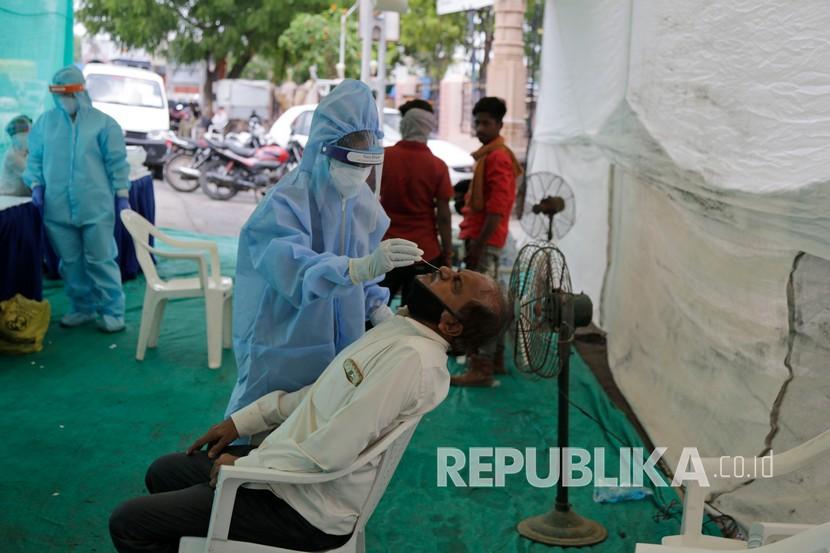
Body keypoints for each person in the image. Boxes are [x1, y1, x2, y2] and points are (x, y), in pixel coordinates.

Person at [109, 266, 510, 553]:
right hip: (292, 475)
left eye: (453, 282)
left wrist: (248, 470)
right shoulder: (404, 332)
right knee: (163, 471)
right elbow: (319, 397)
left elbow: (333, 450)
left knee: (129, 523)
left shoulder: (412, 361)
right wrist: (242, 421)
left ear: (451, 325)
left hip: (303, 508)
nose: (442, 269)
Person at [226, 79, 423, 426]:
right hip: (285, 340)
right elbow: (290, 268)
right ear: (322, 148)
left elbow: (363, 275)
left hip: (344, 343)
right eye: (351, 162)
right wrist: (356, 269)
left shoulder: (361, 204)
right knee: (264, 424)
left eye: (367, 164)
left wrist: (377, 307)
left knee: (324, 423)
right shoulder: (286, 203)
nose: (359, 174)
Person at [23, 65, 131, 333]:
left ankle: (112, 310)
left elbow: (117, 162)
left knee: (101, 258)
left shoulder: (104, 124)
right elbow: (34, 158)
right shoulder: (45, 123)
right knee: (69, 261)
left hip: (96, 205)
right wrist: (36, 184)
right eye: (60, 95)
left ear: (80, 92)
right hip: (57, 207)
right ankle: (82, 307)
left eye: (69, 94)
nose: (65, 101)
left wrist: (122, 194)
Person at [452, 97, 523, 387]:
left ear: (499, 124)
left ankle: (481, 368)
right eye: (477, 122)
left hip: (488, 242)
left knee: (483, 306)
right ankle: (495, 361)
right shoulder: (488, 156)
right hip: (484, 239)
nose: (480, 128)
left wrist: (478, 246)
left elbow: (496, 209)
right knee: (493, 302)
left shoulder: (497, 158)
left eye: (486, 123)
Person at [379, 102, 454, 303]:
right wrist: (447, 252)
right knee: (416, 316)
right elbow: (444, 217)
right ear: (428, 128)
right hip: (424, 252)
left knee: (374, 310)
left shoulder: (383, 158)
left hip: (387, 249)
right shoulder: (438, 166)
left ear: (404, 125)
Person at [0, 115, 33, 197]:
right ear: (17, 136)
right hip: (9, 200)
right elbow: (34, 175)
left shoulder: (27, 152)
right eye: (29, 133)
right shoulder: (12, 156)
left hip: (22, 199)